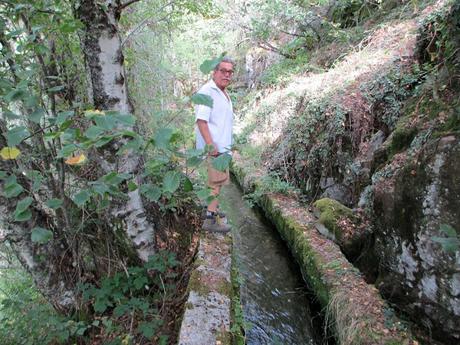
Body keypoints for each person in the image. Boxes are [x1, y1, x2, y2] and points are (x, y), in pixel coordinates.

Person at [195, 57, 235, 233]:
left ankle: (213, 208)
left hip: (223, 148)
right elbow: (201, 121)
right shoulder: (208, 91)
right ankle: (210, 220)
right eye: (223, 71)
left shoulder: (223, 92)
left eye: (230, 72)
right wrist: (211, 145)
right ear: (215, 72)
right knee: (215, 182)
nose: (227, 75)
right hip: (215, 149)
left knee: (217, 182)